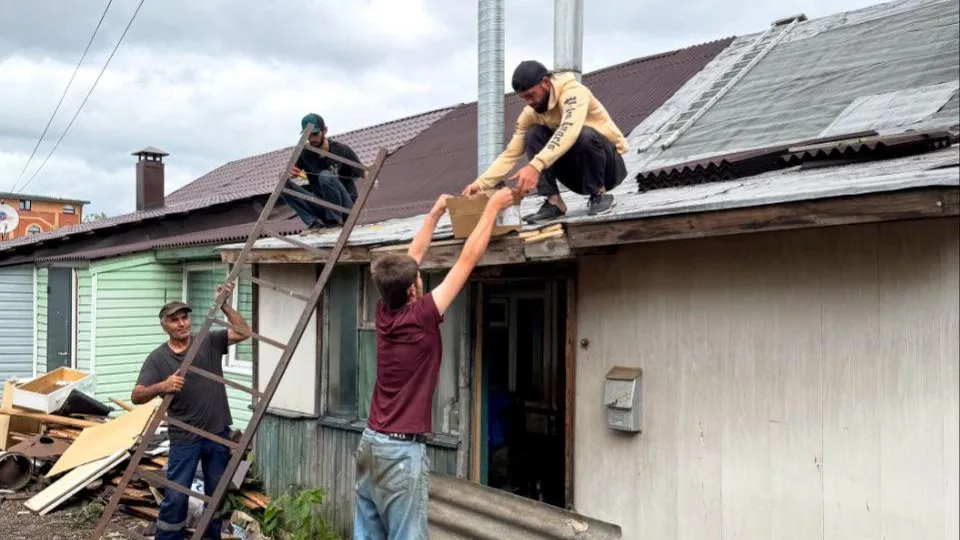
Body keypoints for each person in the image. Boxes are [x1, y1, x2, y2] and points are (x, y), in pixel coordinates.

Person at [353, 188, 517, 539]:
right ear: (414, 290)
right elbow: (467, 259)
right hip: (398, 452)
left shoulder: (385, 311)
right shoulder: (422, 315)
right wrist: (493, 207)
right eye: (416, 279)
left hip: (371, 443)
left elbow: (413, 257)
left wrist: (435, 211)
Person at [132, 283, 251, 540]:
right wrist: (163, 385)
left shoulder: (207, 341)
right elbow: (137, 395)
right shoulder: (157, 359)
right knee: (176, 496)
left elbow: (244, 332)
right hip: (184, 436)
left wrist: (224, 306)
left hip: (217, 431)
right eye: (175, 320)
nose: (182, 324)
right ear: (164, 325)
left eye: (185, 318)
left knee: (215, 495)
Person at [462, 60, 629, 223]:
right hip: (577, 177)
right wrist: (481, 184)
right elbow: (510, 154)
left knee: (582, 134)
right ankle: (554, 202)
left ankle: (599, 195)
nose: (529, 102)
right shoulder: (531, 114)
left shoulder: (574, 93)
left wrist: (535, 165)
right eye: (523, 98)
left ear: (546, 82)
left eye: (531, 95)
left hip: (609, 170)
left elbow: (569, 131)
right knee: (533, 134)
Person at [282, 113, 366, 230]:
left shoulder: (341, 149)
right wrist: (289, 174)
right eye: (308, 135)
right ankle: (313, 223)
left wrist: (371, 179)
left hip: (345, 207)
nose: (311, 139)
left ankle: (335, 219)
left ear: (324, 130)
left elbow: (363, 172)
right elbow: (293, 173)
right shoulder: (305, 154)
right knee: (282, 184)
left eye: (315, 134)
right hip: (322, 205)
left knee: (325, 176)